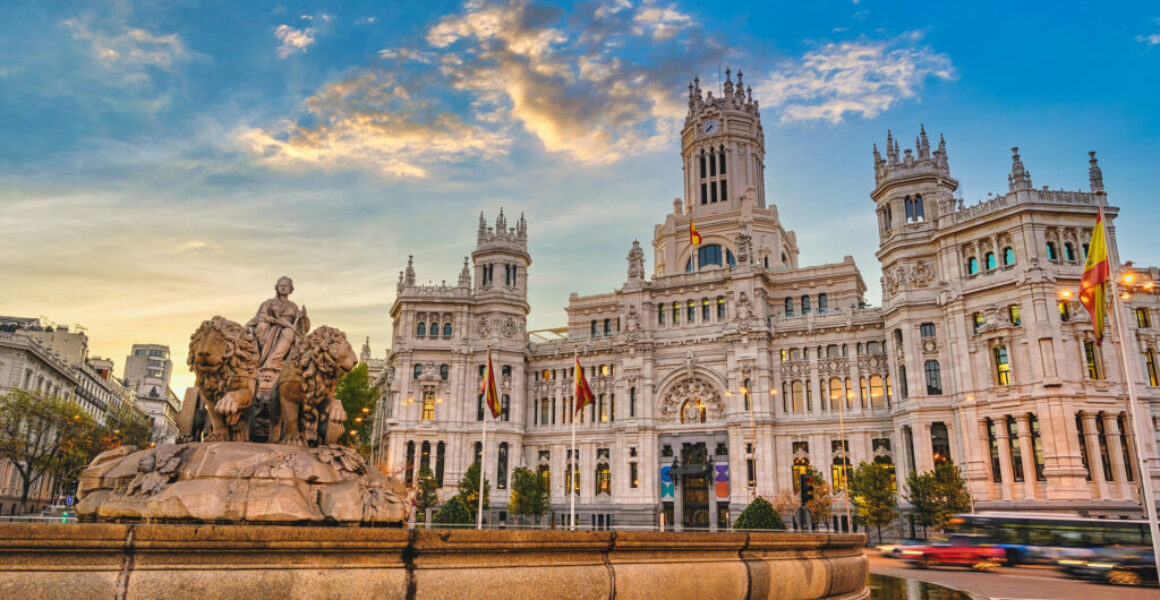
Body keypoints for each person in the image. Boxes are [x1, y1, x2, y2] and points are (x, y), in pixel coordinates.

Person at [247, 276, 308, 377]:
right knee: (262, 326)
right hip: (270, 324)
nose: (283, 288)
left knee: (289, 332)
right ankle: (262, 359)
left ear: (290, 289)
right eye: (281, 286)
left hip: (287, 327)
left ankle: (273, 362)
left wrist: (303, 317)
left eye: (286, 286)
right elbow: (261, 316)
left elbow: (300, 325)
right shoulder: (268, 303)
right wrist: (270, 319)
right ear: (277, 288)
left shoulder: (293, 306)